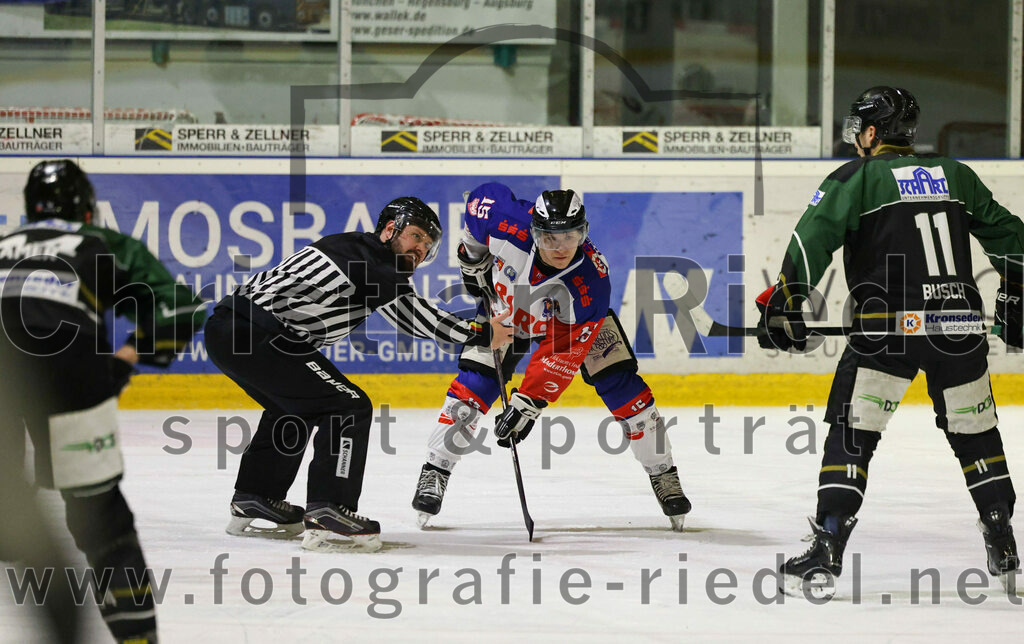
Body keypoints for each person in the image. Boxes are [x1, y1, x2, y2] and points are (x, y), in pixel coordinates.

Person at [756, 87, 1022, 597]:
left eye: (860, 127)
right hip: (958, 329)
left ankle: (828, 546)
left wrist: (786, 302)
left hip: (887, 331)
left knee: (852, 430)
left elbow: (812, 238)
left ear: (874, 132)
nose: (856, 136)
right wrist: (1019, 290)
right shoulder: (957, 174)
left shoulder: (856, 178)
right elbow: (1011, 238)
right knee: (976, 432)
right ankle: (1003, 540)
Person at [204, 196, 513, 553]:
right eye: (415, 236)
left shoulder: (355, 249)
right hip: (259, 334)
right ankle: (329, 507)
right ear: (388, 229)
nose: (420, 249)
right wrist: (482, 332)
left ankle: (255, 495)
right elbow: (417, 318)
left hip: (230, 330)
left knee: (295, 406)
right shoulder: (374, 262)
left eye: (428, 246)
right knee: (349, 406)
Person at [0, 159, 206, 642]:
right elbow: (182, 309)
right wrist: (130, 355)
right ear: (87, 210)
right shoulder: (103, 244)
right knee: (102, 525)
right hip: (70, 373)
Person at [411, 183, 692, 531]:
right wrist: (472, 256)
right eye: (550, 239)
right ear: (533, 230)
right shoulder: (504, 219)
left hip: (571, 326)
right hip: (506, 314)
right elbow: (479, 203)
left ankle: (663, 473)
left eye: (571, 237)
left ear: (584, 233)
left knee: (623, 386)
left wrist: (528, 404)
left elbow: (560, 353)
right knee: (475, 384)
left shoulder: (590, 283)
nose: (561, 249)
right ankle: (435, 471)